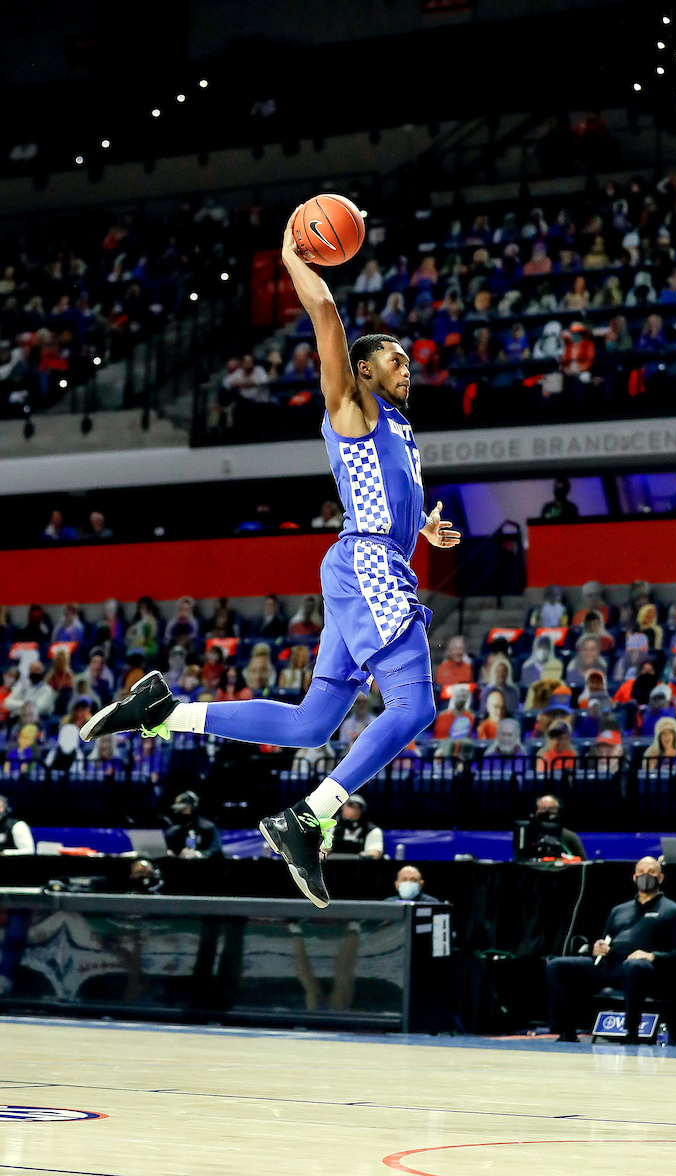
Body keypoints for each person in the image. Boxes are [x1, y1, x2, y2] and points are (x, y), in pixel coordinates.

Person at [81, 207, 461, 911]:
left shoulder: (401, 428)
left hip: (373, 561)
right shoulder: (352, 405)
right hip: (369, 565)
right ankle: (305, 818)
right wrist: (295, 259)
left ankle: (164, 712)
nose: (407, 365)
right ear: (363, 369)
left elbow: (390, 495)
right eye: (394, 358)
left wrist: (423, 533)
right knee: (415, 707)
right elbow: (325, 318)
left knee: (312, 724)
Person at [546, 856, 676, 1043]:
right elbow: (606, 939)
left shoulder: (673, 911)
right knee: (557, 966)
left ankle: (631, 1033)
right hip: (612, 964)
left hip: (648, 970)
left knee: (633, 967)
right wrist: (598, 948)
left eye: (651, 873)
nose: (645, 876)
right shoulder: (619, 910)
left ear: (661, 878)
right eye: (641, 873)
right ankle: (565, 1030)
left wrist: (652, 956)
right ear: (634, 877)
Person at [527, 794, 587, 860]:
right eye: (543, 808)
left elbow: (583, 861)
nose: (547, 812)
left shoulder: (568, 836)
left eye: (551, 808)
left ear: (558, 811)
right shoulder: (528, 835)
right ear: (536, 811)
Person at [165, 791, 222, 859]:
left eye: (184, 809)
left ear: (193, 807)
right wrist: (173, 855)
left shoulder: (208, 828)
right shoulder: (173, 832)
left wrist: (198, 854)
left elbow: (216, 849)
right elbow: (170, 851)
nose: (180, 812)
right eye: (178, 809)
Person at [327, 794, 383, 858]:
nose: (349, 817)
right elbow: (323, 850)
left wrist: (354, 857)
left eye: (354, 809)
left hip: (361, 866)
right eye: (346, 816)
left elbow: (374, 854)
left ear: (362, 813)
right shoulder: (334, 828)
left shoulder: (372, 831)